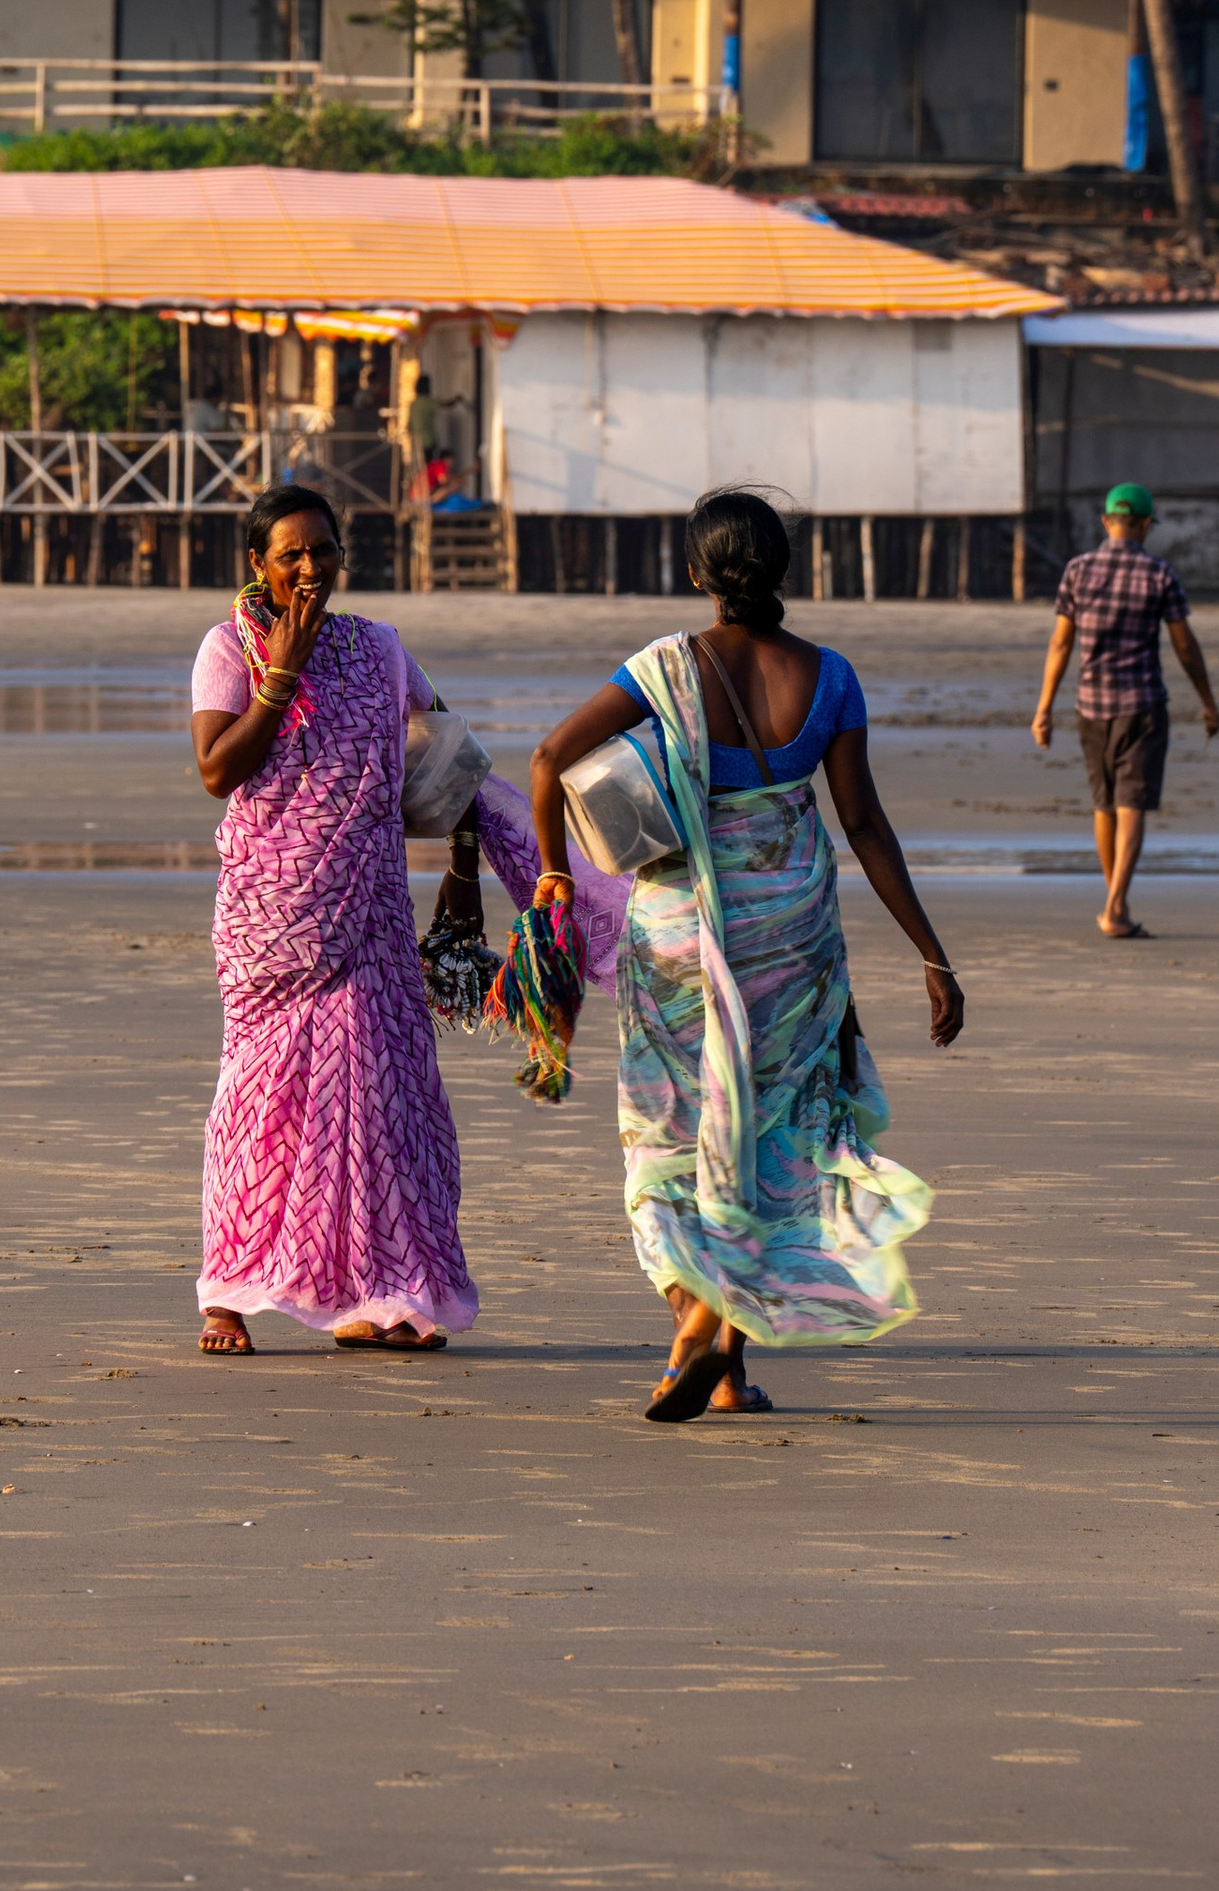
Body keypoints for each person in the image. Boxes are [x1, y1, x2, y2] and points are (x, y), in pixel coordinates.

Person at [523, 490, 962, 1425]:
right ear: (785, 571)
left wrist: (554, 880)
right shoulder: (832, 676)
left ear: (695, 575)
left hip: (681, 931)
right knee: (765, 1133)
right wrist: (934, 956)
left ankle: (694, 1317)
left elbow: (549, 755)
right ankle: (726, 1365)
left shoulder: (667, 667)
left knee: (673, 1126)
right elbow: (866, 825)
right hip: (792, 932)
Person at [190, 484, 479, 1359]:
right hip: (274, 917)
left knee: (383, 1101)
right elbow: (216, 769)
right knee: (262, 1101)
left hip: (372, 911)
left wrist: (466, 875)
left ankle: (381, 1294)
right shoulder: (228, 648)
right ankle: (227, 1295)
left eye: (324, 550)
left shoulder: (378, 652)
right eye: (291, 555)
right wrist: (282, 671)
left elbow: (449, 752)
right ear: (259, 567)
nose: (311, 567)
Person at [1032, 482, 1219, 940]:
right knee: (1132, 803)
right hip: (1143, 705)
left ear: (1106, 522)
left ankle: (1115, 899)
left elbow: (1061, 642)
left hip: (1090, 706)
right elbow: (1185, 647)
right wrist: (1207, 702)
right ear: (1142, 525)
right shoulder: (1158, 574)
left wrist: (1044, 708)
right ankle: (1116, 905)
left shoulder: (1077, 570)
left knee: (1104, 805)